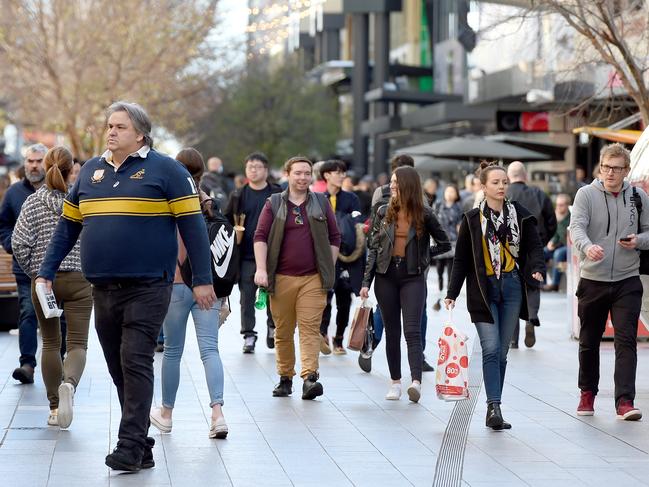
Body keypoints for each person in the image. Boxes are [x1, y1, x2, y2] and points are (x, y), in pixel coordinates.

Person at [37, 101, 215, 472]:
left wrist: (201, 280)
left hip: (149, 286)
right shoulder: (91, 174)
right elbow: (68, 226)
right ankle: (143, 444)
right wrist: (46, 270)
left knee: (135, 360)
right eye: (109, 125)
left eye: (119, 126)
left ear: (140, 133)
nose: (111, 132)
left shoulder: (168, 170)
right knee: (120, 367)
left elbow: (194, 229)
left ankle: (129, 445)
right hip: (103, 287)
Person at [445, 161, 545, 430]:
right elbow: (461, 260)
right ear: (483, 187)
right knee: (490, 348)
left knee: (501, 352)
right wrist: (452, 292)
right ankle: (494, 407)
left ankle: (494, 405)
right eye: (496, 183)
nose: (501, 187)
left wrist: (536, 268)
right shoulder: (471, 219)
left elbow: (534, 246)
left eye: (504, 183)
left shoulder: (519, 214)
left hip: (512, 286)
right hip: (483, 288)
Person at [150, 148, 228, 439]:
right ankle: (218, 413)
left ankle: (167, 414)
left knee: (172, 351)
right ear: (202, 173)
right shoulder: (211, 204)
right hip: (207, 286)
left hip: (176, 284)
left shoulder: (165, 198)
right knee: (210, 350)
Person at [11, 146, 91, 429]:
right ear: (72, 171)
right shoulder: (80, 203)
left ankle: (55, 407)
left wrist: (33, 268)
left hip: (44, 281)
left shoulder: (32, 202)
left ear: (46, 168)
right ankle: (69, 384)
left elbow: (19, 242)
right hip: (80, 279)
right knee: (78, 343)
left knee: (50, 343)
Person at [570, 143, 649, 421]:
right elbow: (576, 226)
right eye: (606, 167)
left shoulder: (638, 197)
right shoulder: (585, 195)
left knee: (626, 341)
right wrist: (587, 246)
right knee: (589, 341)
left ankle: (625, 401)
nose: (610, 173)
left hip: (628, 279)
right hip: (594, 279)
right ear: (600, 168)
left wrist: (638, 240)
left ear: (626, 170)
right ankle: (587, 392)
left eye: (616, 168)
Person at [253, 156, 341, 400]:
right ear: (287, 174)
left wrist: (328, 266)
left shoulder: (321, 203)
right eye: (298, 173)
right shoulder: (273, 203)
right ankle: (285, 377)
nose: (303, 177)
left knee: (310, 328)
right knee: (282, 330)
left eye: (307, 173)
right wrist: (261, 269)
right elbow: (260, 236)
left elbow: (335, 237)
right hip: (280, 278)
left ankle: (310, 378)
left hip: (313, 279)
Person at [360, 166, 449, 402]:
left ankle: (416, 383)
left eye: (396, 182)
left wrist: (422, 256)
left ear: (408, 185)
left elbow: (445, 243)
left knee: (412, 330)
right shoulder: (382, 212)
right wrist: (366, 282)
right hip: (385, 276)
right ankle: (395, 382)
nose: (391, 186)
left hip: (413, 277)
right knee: (392, 332)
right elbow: (374, 249)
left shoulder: (424, 214)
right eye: (391, 182)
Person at [363, 154, 435, 373]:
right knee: (391, 316)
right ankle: (373, 344)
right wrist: (368, 278)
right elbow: (376, 236)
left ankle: (414, 358)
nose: (395, 184)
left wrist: (423, 256)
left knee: (414, 317)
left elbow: (431, 234)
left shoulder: (421, 202)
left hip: (414, 270)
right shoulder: (383, 199)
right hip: (388, 267)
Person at [224, 152, 281, 353]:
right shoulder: (238, 195)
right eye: (250, 167)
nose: (253, 170)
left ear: (266, 170)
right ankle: (248, 334)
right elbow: (225, 221)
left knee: (275, 294)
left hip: (274, 254)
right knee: (246, 297)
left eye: (257, 166)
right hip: (246, 255)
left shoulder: (278, 193)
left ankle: (273, 327)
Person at [0, 143, 47, 384]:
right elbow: (3, 223)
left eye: (39, 161)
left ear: (47, 163)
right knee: (28, 313)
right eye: (30, 161)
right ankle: (27, 364)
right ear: (25, 163)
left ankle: (58, 363)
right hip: (24, 268)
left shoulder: (59, 190)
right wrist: (11, 244)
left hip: (55, 268)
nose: (34, 165)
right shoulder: (14, 192)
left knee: (56, 317)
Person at [506, 161, 556, 348]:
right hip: (534, 248)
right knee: (533, 284)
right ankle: (531, 317)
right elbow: (552, 222)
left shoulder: (504, 194)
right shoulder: (539, 194)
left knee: (512, 291)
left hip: (509, 251)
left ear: (509, 176)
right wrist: (542, 241)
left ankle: (512, 338)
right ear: (525, 176)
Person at [318, 160, 363, 355]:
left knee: (345, 300)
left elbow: (357, 222)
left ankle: (339, 338)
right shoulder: (318, 198)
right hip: (325, 256)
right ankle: (322, 335)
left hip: (347, 256)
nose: (342, 176)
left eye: (343, 172)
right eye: (337, 172)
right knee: (324, 298)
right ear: (326, 175)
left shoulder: (351, 198)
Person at [433, 184, 463, 293]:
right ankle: (440, 280)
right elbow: (433, 219)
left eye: (452, 192)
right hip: (440, 238)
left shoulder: (459, 207)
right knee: (440, 264)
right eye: (448, 191)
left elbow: (461, 220)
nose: (450, 194)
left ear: (456, 194)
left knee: (452, 263)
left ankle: (449, 286)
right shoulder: (438, 205)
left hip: (453, 238)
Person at [543, 194, 571, 291]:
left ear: (567, 205)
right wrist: (552, 242)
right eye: (557, 205)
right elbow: (554, 234)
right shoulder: (554, 216)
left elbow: (565, 237)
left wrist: (555, 243)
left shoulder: (571, 218)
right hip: (558, 245)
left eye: (561, 205)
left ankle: (555, 284)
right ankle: (543, 284)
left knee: (558, 254)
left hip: (569, 247)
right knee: (542, 252)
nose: (558, 207)